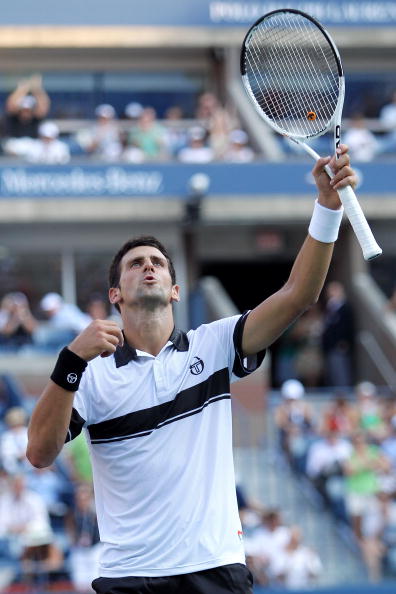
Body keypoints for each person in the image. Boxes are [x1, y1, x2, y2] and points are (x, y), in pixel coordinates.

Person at [27, 144, 357, 594]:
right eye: (135, 264)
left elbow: (299, 294)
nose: (148, 267)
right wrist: (69, 362)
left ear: (175, 290)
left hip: (215, 569)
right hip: (129, 577)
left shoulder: (214, 343)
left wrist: (328, 206)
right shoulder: (88, 374)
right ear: (115, 294)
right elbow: (40, 454)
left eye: (157, 263)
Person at [321, 280, 355, 387]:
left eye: (334, 290)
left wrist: (345, 342)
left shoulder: (346, 308)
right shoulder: (329, 308)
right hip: (329, 347)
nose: (331, 293)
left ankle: (343, 395)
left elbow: (348, 327)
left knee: (341, 373)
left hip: (340, 347)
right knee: (333, 373)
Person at [3, 74, 50, 141]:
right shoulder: (13, 118)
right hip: (14, 145)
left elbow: (43, 107)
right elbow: (11, 106)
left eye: (28, 110)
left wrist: (37, 89)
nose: (26, 112)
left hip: (33, 146)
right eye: (24, 110)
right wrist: (22, 89)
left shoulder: (35, 119)